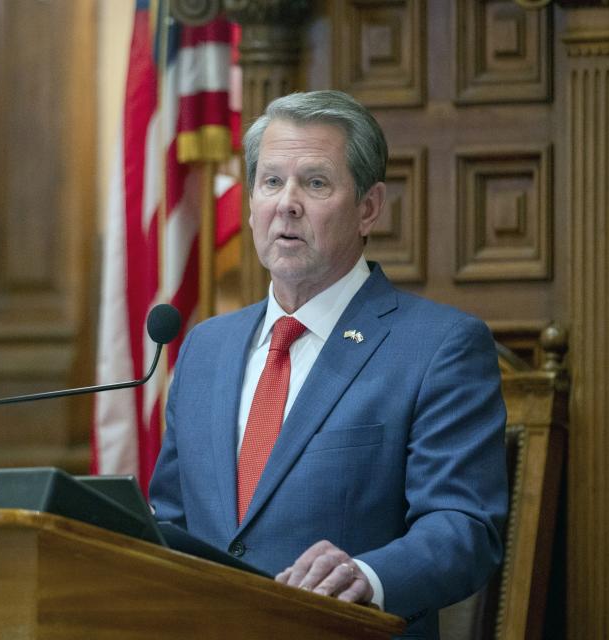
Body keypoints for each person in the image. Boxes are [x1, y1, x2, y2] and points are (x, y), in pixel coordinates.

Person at [149, 90, 507, 638]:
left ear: (368, 207)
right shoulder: (205, 348)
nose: (286, 203)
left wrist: (366, 576)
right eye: (271, 182)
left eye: (314, 183)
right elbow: (169, 524)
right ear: (250, 205)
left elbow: (463, 528)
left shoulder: (440, 346)